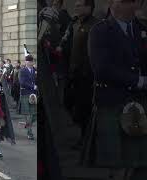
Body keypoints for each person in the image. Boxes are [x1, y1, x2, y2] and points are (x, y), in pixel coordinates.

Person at [83, 0, 147, 179]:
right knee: (117, 164)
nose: (132, 6)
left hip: (140, 103)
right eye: (126, 2)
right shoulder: (100, 31)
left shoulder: (142, 29)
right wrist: (138, 81)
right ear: (113, 4)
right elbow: (101, 69)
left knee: (138, 163)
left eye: (133, 2)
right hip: (112, 102)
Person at [64, 0, 98, 150]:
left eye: (79, 5)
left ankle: (86, 139)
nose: (76, 8)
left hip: (86, 76)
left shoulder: (95, 26)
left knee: (84, 108)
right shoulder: (75, 24)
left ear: (89, 7)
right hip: (73, 73)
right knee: (69, 103)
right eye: (76, 5)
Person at [18, 53, 37, 140]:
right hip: (25, 94)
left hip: (33, 94)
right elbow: (22, 82)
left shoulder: (34, 70)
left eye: (30, 61)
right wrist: (32, 86)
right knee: (28, 115)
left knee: (35, 114)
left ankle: (27, 124)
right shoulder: (22, 70)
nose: (28, 63)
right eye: (27, 61)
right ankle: (30, 133)